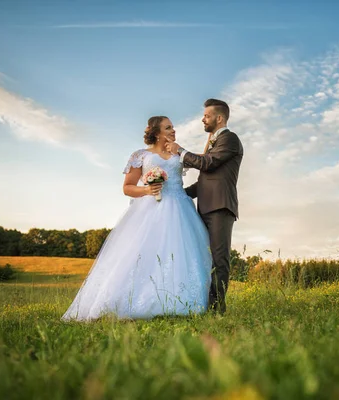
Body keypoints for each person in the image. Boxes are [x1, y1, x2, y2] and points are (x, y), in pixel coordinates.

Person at [62, 116, 212, 321]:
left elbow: (203, 161)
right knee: (144, 253)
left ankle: (180, 302)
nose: (173, 130)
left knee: (179, 252)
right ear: (156, 132)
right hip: (150, 207)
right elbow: (127, 187)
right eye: (168, 128)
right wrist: (147, 189)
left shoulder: (178, 151)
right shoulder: (140, 155)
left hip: (180, 207)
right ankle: (138, 301)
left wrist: (211, 137)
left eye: (173, 127)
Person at [166, 99, 244, 314]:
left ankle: (217, 309)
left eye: (207, 116)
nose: (203, 119)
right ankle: (198, 304)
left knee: (219, 260)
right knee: (202, 258)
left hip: (220, 207)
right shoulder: (214, 142)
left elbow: (207, 164)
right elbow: (204, 181)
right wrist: (177, 193)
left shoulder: (230, 139)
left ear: (219, 118)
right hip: (204, 208)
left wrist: (179, 151)